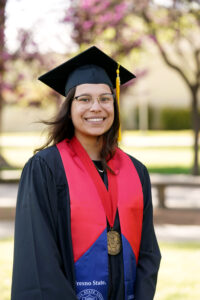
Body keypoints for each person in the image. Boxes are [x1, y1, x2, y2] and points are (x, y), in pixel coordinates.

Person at [11, 46, 161, 300]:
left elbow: (148, 252)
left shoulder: (136, 171)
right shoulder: (46, 168)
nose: (96, 108)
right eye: (84, 99)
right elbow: (39, 256)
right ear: (69, 107)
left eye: (105, 98)